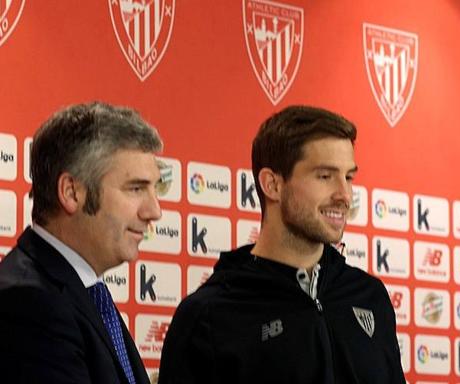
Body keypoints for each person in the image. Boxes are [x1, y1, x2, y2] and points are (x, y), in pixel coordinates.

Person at [159, 105, 405, 383]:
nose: (344, 195)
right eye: (325, 176)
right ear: (272, 184)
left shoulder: (370, 297)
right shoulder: (208, 315)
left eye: (348, 177)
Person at [0, 102, 163, 384]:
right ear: (71, 192)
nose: (154, 211)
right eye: (136, 188)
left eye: (154, 188)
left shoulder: (82, 289)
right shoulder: (30, 303)